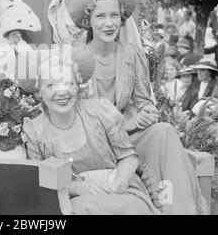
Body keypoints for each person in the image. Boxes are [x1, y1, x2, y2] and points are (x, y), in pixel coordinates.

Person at [68, 0, 207, 214]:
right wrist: (129, 124)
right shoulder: (76, 56)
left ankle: (178, 209)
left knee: (164, 131)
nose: (109, 23)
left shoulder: (132, 54)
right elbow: (73, 113)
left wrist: (146, 113)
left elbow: (144, 100)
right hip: (92, 144)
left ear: (121, 18)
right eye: (100, 16)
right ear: (88, 20)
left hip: (128, 137)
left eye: (114, 15)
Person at [21, 49, 159, 214]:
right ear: (39, 91)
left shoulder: (101, 111)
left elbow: (127, 156)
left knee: (133, 208)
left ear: (78, 86)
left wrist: (119, 184)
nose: (62, 92)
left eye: (68, 83)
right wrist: (77, 188)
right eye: (51, 85)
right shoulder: (34, 130)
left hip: (118, 189)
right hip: (73, 200)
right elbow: (40, 180)